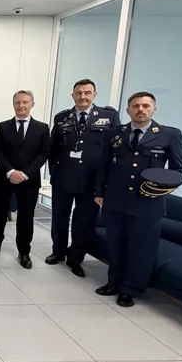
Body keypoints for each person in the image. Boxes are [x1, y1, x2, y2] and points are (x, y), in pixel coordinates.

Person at [94, 91, 182, 307]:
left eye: (146, 106)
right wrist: (99, 192)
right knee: (115, 245)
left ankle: (130, 288)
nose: (140, 110)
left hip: (147, 204)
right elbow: (104, 165)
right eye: (136, 106)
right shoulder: (115, 134)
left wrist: (159, 187)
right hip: (115, 201)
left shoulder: (168, 135)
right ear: (128, 110)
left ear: (154, 109)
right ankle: (114, 282)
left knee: (140, 249)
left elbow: (178, 171)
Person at [47, 79, 120, 277]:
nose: (83, 96)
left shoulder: (108, 116)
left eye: (87, 92)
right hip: (63, 177)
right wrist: (54, 172)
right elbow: (52, 149)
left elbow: (115, 150)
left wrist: (105, 183)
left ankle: (76, 258)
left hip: (91, 180)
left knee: (84, 220)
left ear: (95, 94)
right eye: (79, 93)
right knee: (59, 217)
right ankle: (58, 252)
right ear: (73, 96)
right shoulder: (62, 117)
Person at [0, 90, 50, 269]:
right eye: (18, 102)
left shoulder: (42, 128)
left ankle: (24, 251)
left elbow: (43, 154)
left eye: (25, 102)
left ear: (32, 104)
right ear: (13, 105)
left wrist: (25, 173)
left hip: (29, 179)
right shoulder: (3, 126)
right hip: (4, 177)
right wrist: (11, 171)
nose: (21, 106)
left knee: (26, 216)